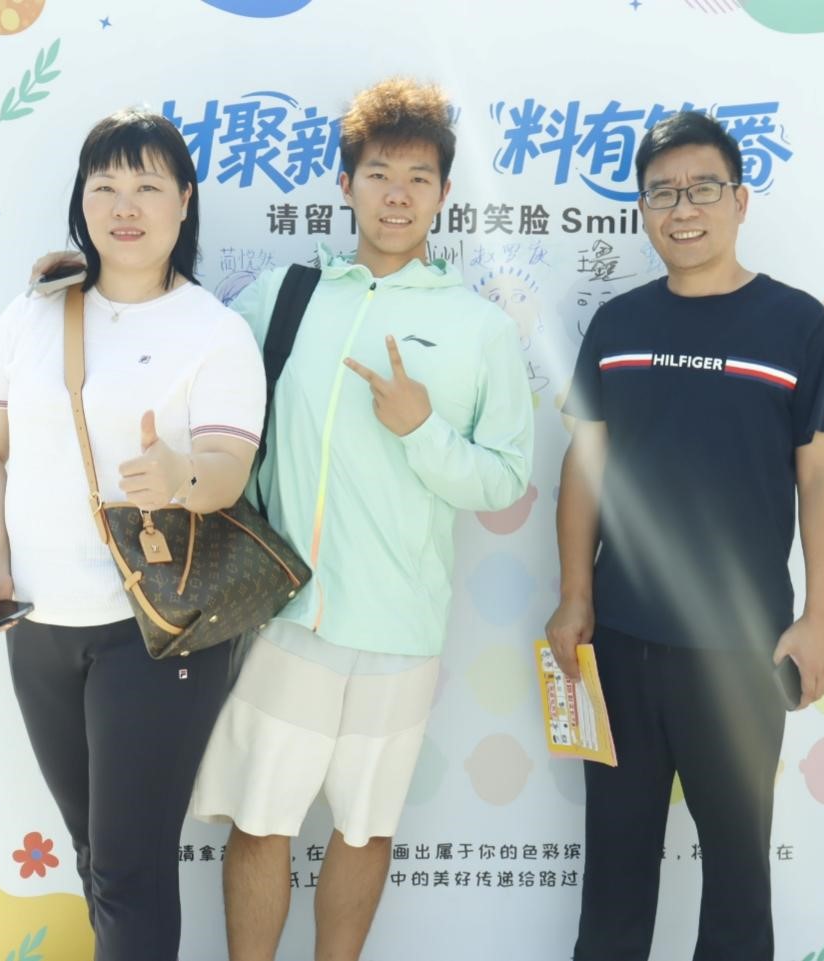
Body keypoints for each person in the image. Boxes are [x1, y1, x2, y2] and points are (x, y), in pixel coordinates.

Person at [190, 78, 534, 961]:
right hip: (287, 614)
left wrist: (421, 429)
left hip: (402, 628)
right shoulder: (285, 295)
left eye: (418, 178)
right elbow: (189, 356)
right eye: (378, 173)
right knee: (261, 820)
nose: (397, 195)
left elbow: (504, 479)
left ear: (444, 194)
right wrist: (87, 282)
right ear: (345, 185)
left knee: (364, 826)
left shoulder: (479, 329)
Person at [0, 108, 266, 961]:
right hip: (36, 623)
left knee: (129, 867)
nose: (125, 206)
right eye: (105, 186)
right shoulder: (33, 314)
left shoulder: (214, 330)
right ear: (81, 199)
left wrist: (180, 476)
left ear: (184, 200)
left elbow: (227, 469)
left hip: (153, 631)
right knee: (96, 855)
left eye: (147, 186)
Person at [546, 110, 824, 961]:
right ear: (642, 209)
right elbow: (584, 467)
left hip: (743, 649)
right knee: (613, 878)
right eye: (661, 193)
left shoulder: (797, 325)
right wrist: (573, 594)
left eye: (702, 188)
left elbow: (822, 475)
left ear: (739, 200)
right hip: (620, 642)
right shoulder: (617, 324)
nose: (682, 208)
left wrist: (820, 617)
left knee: (738, 883)